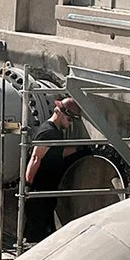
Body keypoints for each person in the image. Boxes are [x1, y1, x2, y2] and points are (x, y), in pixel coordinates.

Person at [22, 97, 85, 242]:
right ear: (61, 113)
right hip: (39, 191)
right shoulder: (48, 132)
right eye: (69, 120)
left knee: (43, 230)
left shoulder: (55, 132)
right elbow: (35, 158)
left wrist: (80, 150)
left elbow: (58, 152)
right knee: (37, 232)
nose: (69, 125)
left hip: (45, 190)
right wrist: (29, 185)